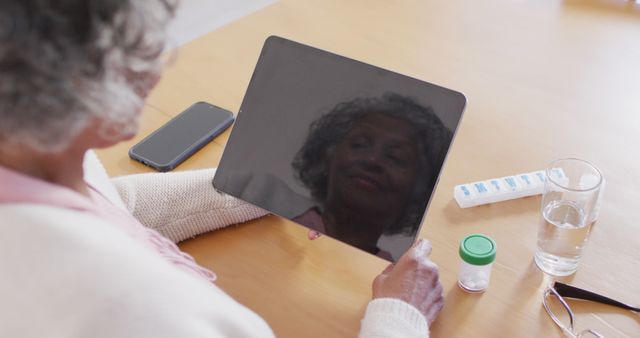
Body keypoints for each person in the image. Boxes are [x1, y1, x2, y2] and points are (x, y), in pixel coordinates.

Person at [0, 1, 444, 337]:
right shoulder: (141, 310)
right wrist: (400, 315)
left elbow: (109, 205)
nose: (158, 66)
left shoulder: (27, 148)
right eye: (152, 46)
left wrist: (257, 188)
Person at [292, 94, 452, 259]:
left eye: (395, 157)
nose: (372, 160)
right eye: (359, 145)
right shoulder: (272, 223)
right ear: (327, 156)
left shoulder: (395, 279)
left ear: (420, 191)